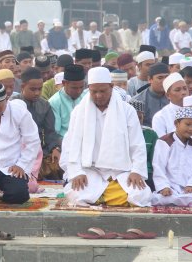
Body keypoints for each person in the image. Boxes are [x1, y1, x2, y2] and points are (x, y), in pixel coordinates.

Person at [62, 67, 151, 207]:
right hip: (90, 170)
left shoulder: (127, 111)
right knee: (78, 193)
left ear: (111, 87)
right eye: (94, 91)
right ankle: (107, 197)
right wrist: (76, 172)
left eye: (102, 91)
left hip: (120, 171)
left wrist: (136, 171)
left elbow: (137, 144)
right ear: (89, 89)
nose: (98, 95)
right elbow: (70, 145)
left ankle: (103, 198)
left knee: (140, 194)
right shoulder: (79, 112)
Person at [151, 106, 192, 207]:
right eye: (187, 124)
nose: (190, 129)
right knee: (162, 198)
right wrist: (164, 186)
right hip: (169, 187)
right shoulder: (164, 142)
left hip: (187, 189)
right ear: (176, 123)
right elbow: (158, 166)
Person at [15, 68, 62, 180]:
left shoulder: (44, 105)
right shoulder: (13, 104)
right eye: (33, 89)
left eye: (39, 89)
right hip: (17, 152)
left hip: (40, 150)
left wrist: (55, 148)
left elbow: (50, 132)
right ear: (22, 87)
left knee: (59, 164)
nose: (37, 93)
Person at [127, 97, 159, 190]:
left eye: (139, 117)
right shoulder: (120, 133)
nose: (136, 121)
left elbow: (155, 160)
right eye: (133, 118)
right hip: (125, 173)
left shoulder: (150, 134)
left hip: (147, 173)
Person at [48, 64, 86, 137]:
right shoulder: (54, 102)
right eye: (74, 88)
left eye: (81, 87)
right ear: (64, 83)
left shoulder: (86, 97)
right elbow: (55, 132)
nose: (79, 91)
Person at [132, 62, 170, 127]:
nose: (164, 81)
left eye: (167, 77)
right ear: (150, 79)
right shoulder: (138, 101)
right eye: (160, 78)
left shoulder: (174, 97)